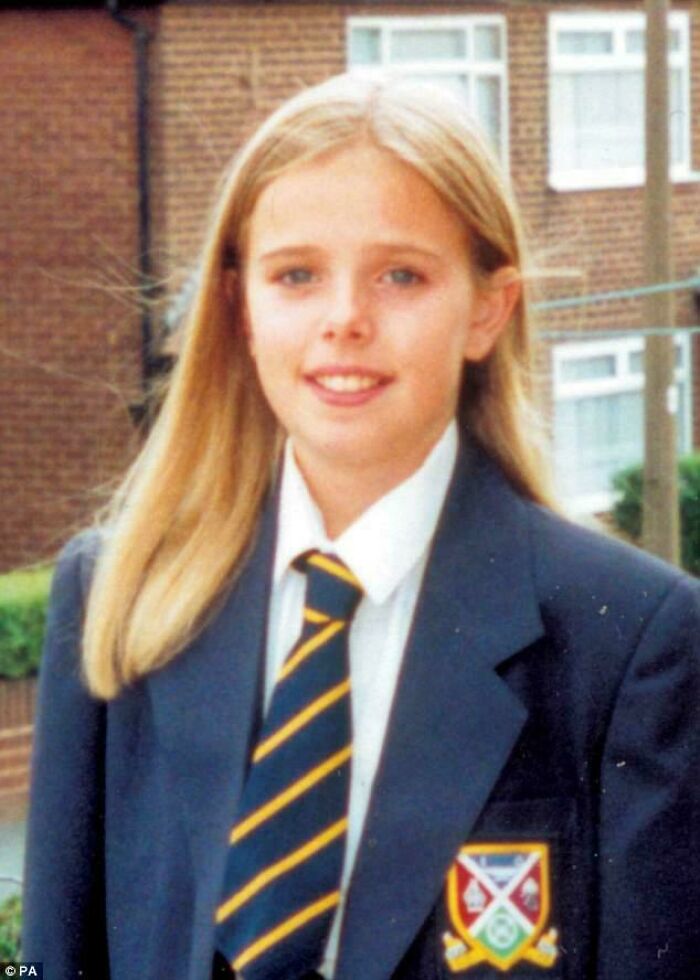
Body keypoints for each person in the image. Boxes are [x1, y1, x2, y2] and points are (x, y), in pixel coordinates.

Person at [22, 73, 699, 980]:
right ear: (239, 305)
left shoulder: (632, 643)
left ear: (488, 310)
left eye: (401, 275)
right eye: (296, 274)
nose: (345, 320)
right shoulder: (119, 596)